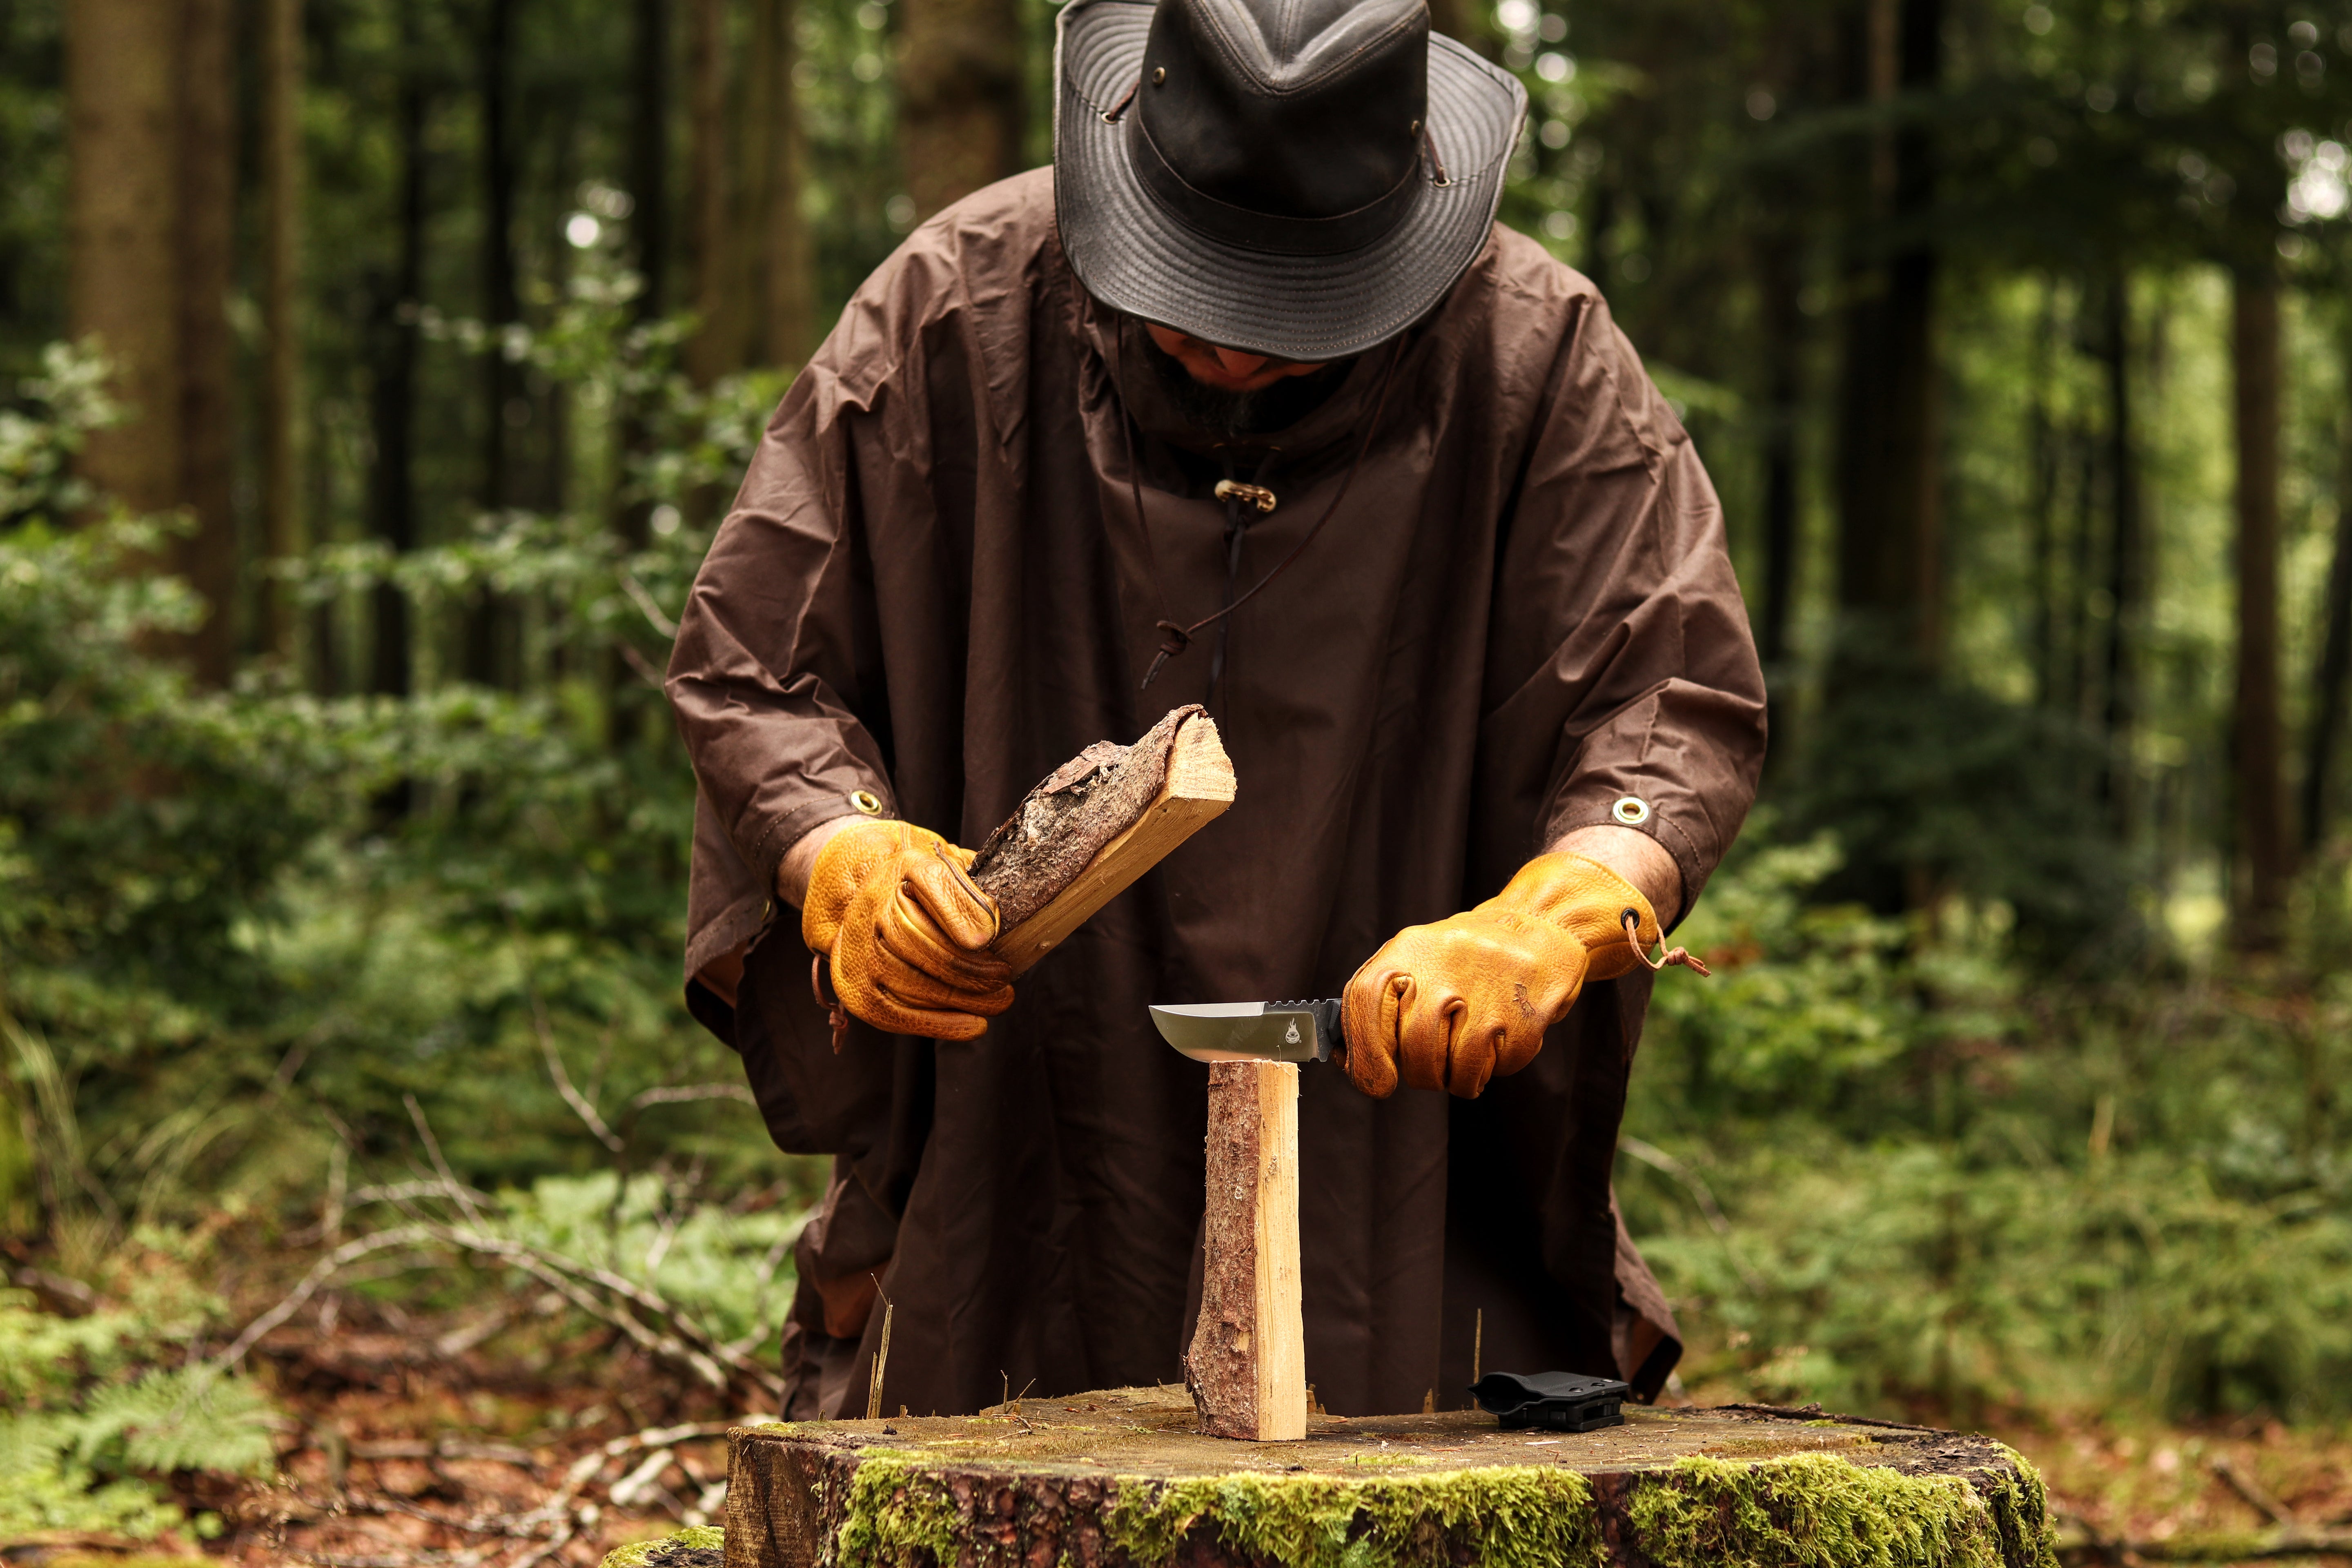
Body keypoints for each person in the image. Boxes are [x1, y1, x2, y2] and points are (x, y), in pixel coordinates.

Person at [665, 0, 1766, 1421]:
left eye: (1294, 319)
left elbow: (1672, 698)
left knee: (1411, 1479)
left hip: (1406, 1149)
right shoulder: (958, 304)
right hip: (1013, 1116)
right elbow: (759, 657)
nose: (1239, 356)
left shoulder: (1535, 352)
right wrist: (842, 855)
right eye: (1198, 301)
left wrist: (1553, 912)